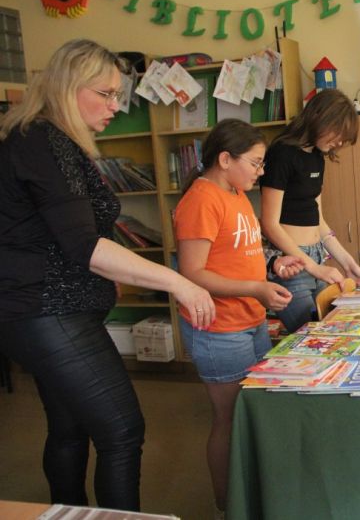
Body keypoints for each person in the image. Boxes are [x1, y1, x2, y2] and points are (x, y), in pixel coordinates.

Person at [0, 39, 216, 511]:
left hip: (49, 309)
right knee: (122, 430)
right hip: (49, 312)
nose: (116, 106)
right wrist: (179, 282)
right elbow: (85, 246)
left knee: (69, 427)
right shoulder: (44, 141)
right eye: (107, 94)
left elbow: (67, 234)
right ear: (68, 86)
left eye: (119, 95)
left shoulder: (48, 139)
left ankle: (69, 511)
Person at [173, 118, 303, 518]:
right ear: (226, 159)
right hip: (219, 328)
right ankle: (227, 506)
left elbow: (240, 252)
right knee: (229, 419)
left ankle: (251, 495)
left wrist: (273, 265)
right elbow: (193, 274)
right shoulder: (201, 200)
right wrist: (256, 288)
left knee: (251, 414)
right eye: (256, 163)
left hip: (250, 320)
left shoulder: (237, 194)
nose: (260, 172)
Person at [260, 89, 360, 333]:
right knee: (314, 336)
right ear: (320, 118)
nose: (339, 143)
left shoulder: (317, 157)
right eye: (338, 134)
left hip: (316, 255)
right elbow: (269, 224)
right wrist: (312, 266)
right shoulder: (282, 153)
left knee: (330, 330)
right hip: (292, 263)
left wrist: (347, 261)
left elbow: (318, 219)